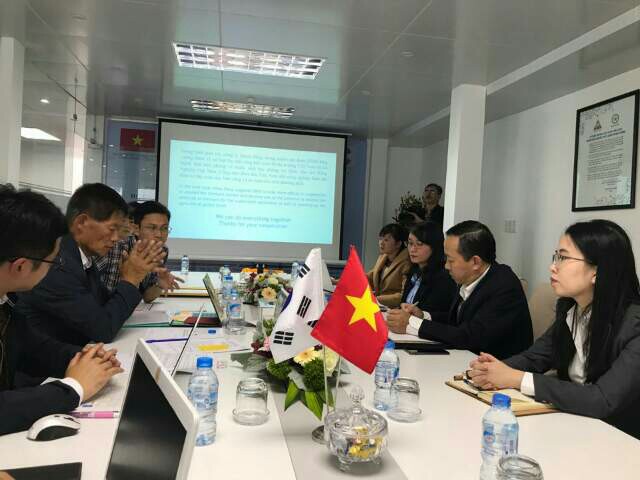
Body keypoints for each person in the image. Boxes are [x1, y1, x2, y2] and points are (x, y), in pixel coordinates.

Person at [468, 220, 640, 439]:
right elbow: (535, 358)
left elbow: (603, 399)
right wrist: (491, 371)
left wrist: (516, 378)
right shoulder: (571, 309)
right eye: (555, 256)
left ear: (597, 271)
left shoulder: (634, 324)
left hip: (621, 439)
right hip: (574, 425)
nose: (553, 266)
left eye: (563, 258)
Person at [0, 185, 122, 435]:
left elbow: (37, 347)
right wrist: (74, 388)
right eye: (53, 260)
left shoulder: (7, 301)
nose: (57, 265)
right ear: (21, 267)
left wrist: (87, 359)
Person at [16, 183, 164, 346]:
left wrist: (127, 276)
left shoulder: (81, 255)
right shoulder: (57, 263)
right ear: (82, 222)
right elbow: (103, 329)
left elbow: (102, 306)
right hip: (48, 359)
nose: (116, 238)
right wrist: (131, 279)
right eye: (112, 228)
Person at [388, 220, 532, 358]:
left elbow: (470, 336)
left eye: (451, 260)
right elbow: (456, 321)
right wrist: (423, 315)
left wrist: (412, 324)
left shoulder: (503, 286)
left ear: (475, 262)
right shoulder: (468, 277)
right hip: (467, 359)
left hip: (500, 367)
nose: (446, 266)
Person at [96, 200, 182, 303]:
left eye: (164, 228)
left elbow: (147, 297)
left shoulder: (161, 251)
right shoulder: (116, 248)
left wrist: (159, 285)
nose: (159, 234)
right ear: (136, 229)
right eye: (152, 228)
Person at [386, 222, 456, 325]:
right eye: (410, 243)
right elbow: (404, 303)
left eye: (419, 244)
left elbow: (450, 317)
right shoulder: (414, 271)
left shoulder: (444, 277)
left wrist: (423, 314)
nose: (412, 249)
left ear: (434, 246)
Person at [366, 223, 411, 308]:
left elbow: (403, 295)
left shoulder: (407, 263)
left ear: (398, 244)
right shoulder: (383, 257)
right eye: (380, 239)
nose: (381, 243)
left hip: (395, 309)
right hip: (380, 306)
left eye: (386, 240)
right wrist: (343, 281)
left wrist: (376, 299)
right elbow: (370, 277)